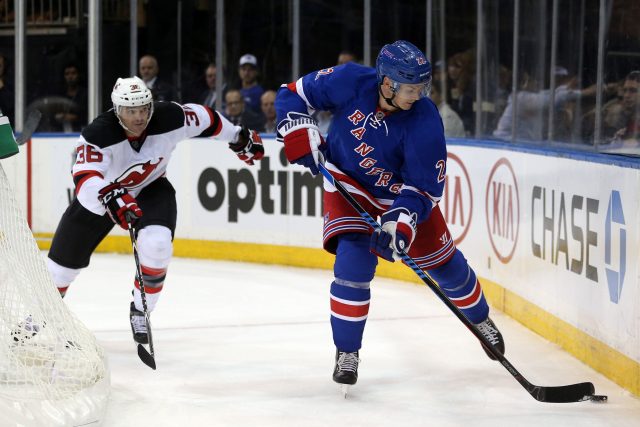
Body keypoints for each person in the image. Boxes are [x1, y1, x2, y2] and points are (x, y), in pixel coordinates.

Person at [275, 40, 505, 390]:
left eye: (422, 87)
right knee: (352, 265)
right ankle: (347, 352)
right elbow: (292, 94)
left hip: (402, 199)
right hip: (349, 187)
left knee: (447, 267)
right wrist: (298, 130)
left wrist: (399, 225)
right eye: (411, 88)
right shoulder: (350, 80)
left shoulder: (425, 121)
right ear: (387, 83)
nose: (419, 95)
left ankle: (480, 319)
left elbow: (423, 188)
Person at [46, 76, 264, 345]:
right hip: (102, 197)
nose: (139, 117)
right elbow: (84, 176)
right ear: (117, 110)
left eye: (143, 109)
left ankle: (141, 308)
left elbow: (207, 118)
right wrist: (109, 195)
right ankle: (38, 313)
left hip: (152, 189)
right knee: (60, 271)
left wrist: (238, 136)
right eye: (130, 111)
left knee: (158, 244)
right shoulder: (98, 133)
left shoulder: (169, 116)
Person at [53, 63, 88, 132]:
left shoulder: (85, 94)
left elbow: (88, 115)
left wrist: (73, 117)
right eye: (67, 74)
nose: (70, 76)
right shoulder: (60, 94)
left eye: (73, 73)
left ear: (78, 75)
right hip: (61, 133)